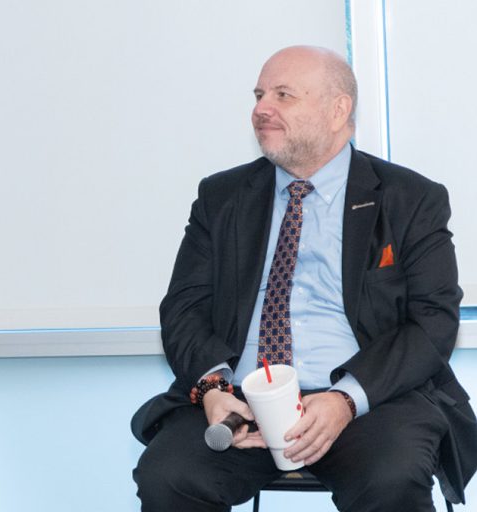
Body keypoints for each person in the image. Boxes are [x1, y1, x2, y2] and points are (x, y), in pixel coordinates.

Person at [131, 45, 477, 511]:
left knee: (391, 478)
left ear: (338, 110)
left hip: (367, 401)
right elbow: (183, 309)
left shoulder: (409, 198)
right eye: (258, 95)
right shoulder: (222, 197)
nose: (260, 109)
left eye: (283, 95)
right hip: (242, 400)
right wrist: (213, 389)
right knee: (168, 476)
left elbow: (433, 322)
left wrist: (346, 400)